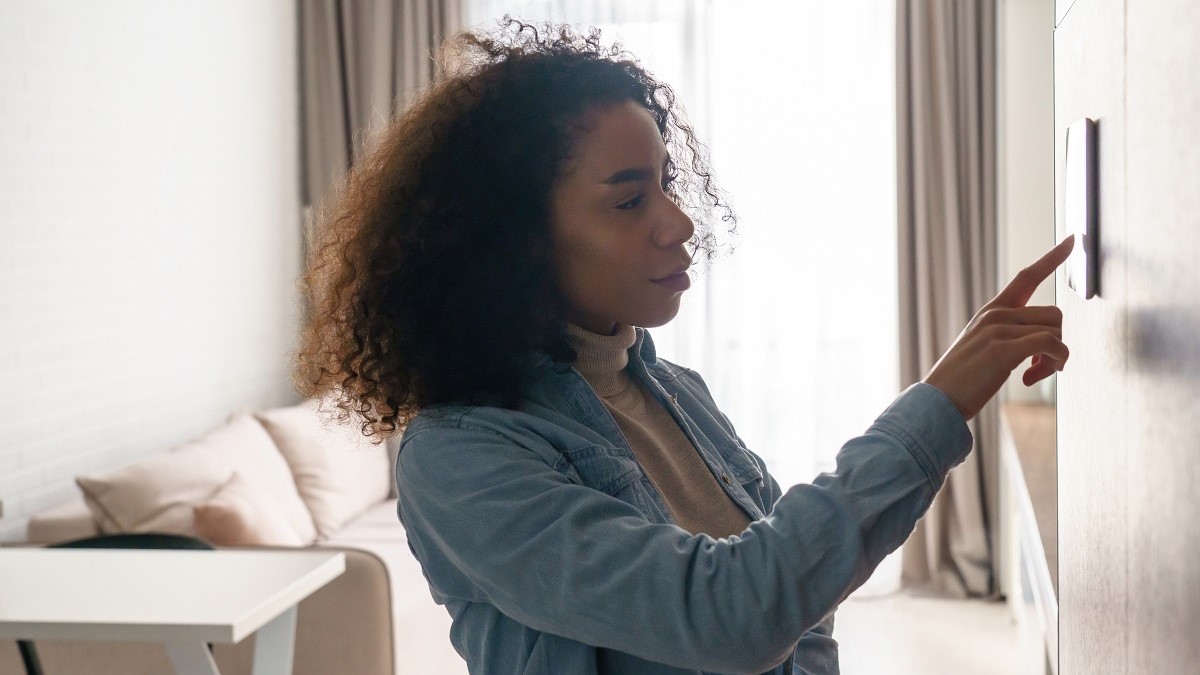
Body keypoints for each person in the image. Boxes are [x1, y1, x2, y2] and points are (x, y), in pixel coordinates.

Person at [294, 18, 1074, 675]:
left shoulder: (677, 392)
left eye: (667, 184)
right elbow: (728, 612)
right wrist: (935, 407)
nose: (678, 222)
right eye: (630, 199)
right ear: (514, 241)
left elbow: (800, 599)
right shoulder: (460, 455)